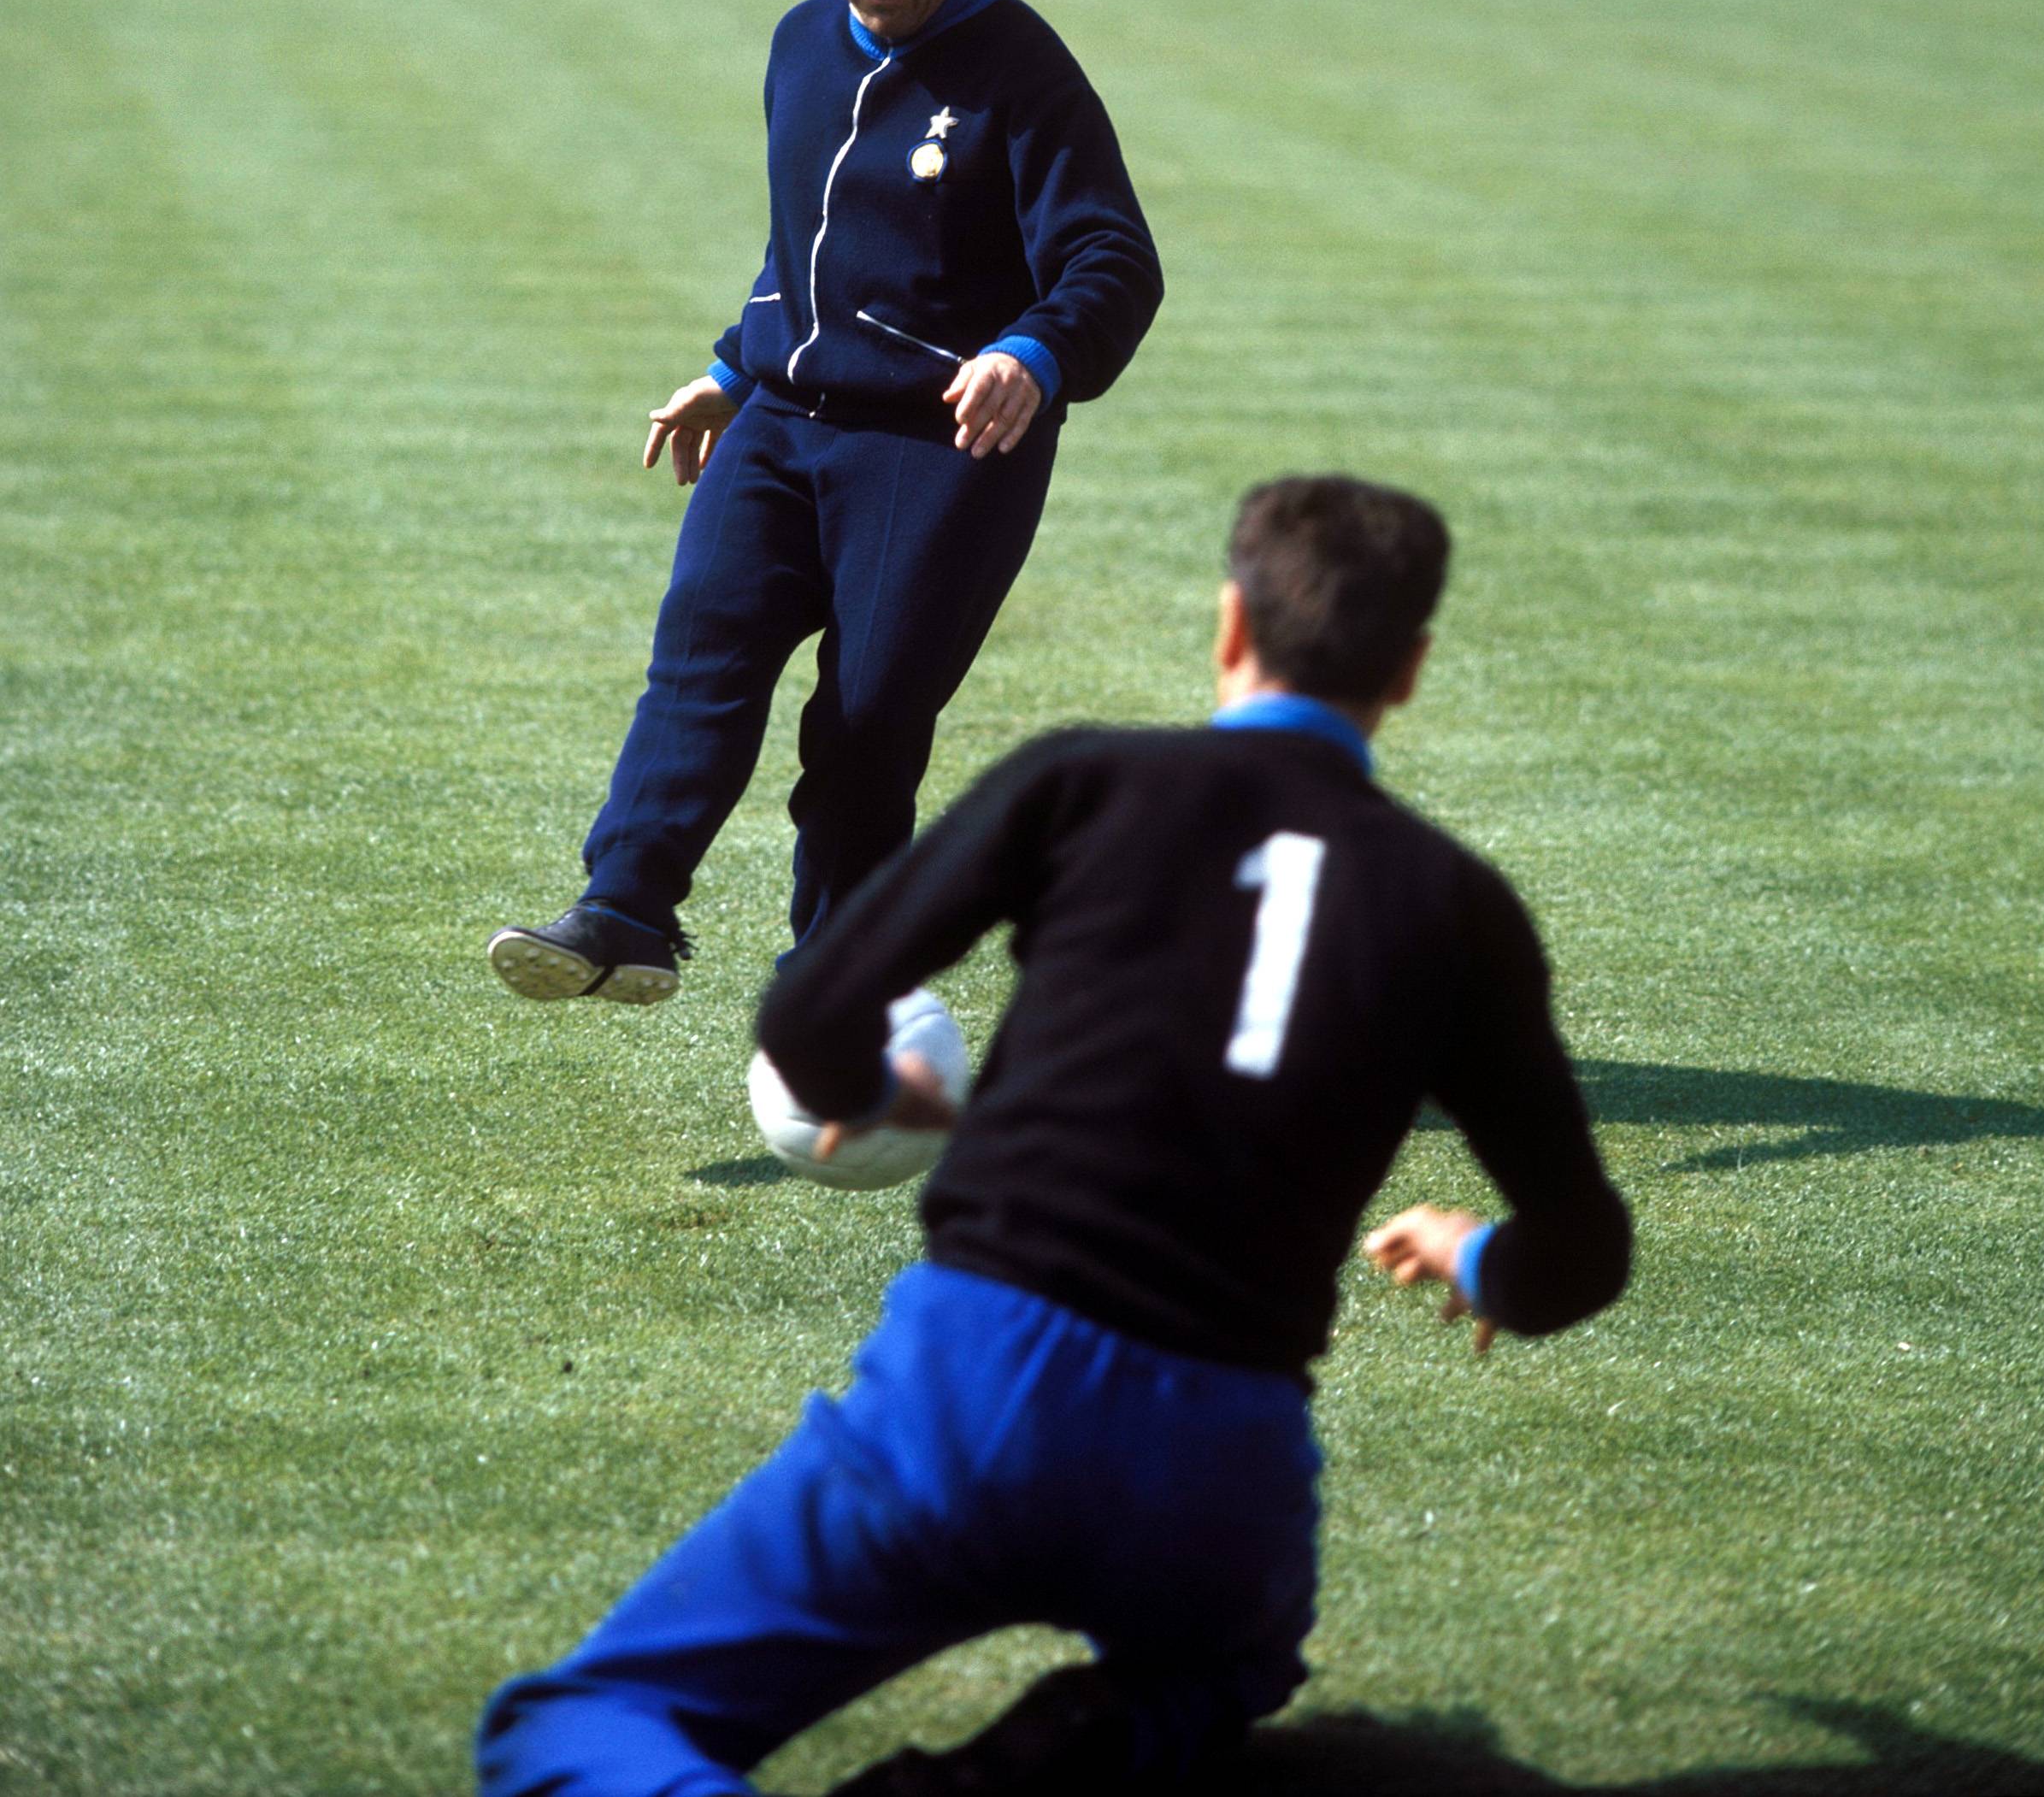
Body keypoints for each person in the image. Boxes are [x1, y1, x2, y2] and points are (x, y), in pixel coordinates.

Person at [476, 475, 1635, 1797]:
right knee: (1215, 1677)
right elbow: (1585, 1253)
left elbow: (808, 1014)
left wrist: (882, 1094)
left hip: (981, 1385)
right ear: (1411, 670)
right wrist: (1480, 1260)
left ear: (1230, 623)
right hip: (1227, 1446)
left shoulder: (1086, 780)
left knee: (587, 1721)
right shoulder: (1462, 906)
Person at [488, 0, 1162, 1007]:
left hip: (942, 446)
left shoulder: (1022, 69)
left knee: (866, 722)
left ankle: (839, 976)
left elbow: (1113, 257)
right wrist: (731, 368)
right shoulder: (801, 43)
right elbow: (801, 245)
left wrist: (1033, 352)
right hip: (784, 421)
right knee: (700, 657)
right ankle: (625, 910)